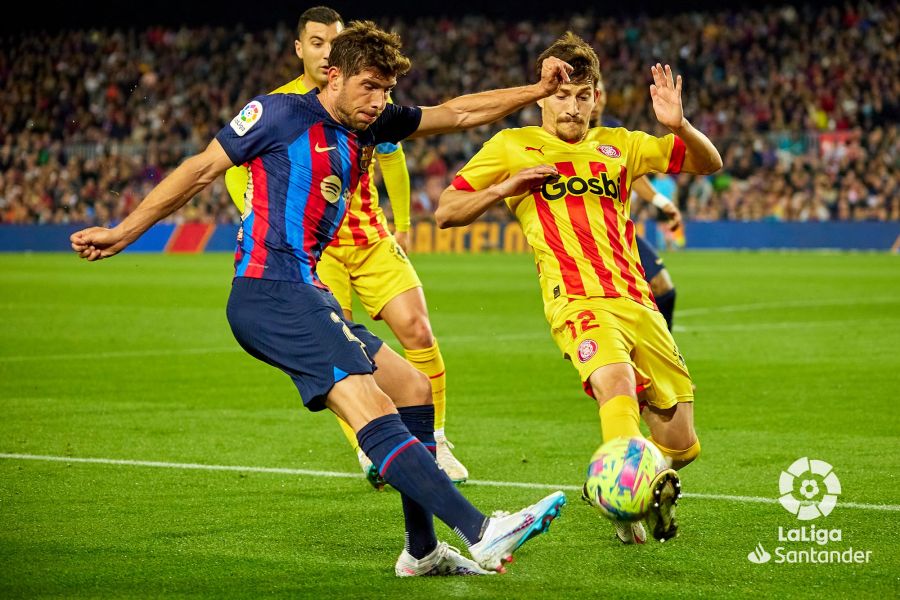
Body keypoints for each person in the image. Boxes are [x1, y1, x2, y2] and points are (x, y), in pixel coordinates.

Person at [71, 21, 573, 576]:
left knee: (411, 386)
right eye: (369, 88)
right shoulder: (277, 114)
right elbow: (198, 172)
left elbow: (456, 113)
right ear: (332, 77)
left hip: (306, 291)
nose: (379, 103)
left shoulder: (371, 119)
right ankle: (481, 530)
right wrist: (123, 231)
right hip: (270, 291)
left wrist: (539, 91)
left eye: (385, 91)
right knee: (372, 407)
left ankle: (422, 550)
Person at [436, 32, 722, 545]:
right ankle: (624, 503)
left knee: (681, 445)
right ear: (542, 93)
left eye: (581, 94)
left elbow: (709, 164)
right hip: (575, 300)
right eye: (560, 92)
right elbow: (446, 211)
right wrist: (504, 188)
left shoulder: (622, 145)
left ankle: (619, 480)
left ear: (595, 96)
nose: (570, 105)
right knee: (613, 379)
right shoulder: (511, 146)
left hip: (637, 300)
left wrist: (680, 126)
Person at [225, 7, 467, 489]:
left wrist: (401, 222)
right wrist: (254, 210)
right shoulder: (278, 107)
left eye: (332, 42)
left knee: (417, 328)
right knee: (341, 352)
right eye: (315, 42)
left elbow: (395, 157)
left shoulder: (366, 99)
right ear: (299, 48)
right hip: (315, 250)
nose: (324, 51)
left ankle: (435, 440)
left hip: (370, 237)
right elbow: (232, 167)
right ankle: (368, 447)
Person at [591, 77, 680, 330]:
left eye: (599, 91)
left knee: (663, 287)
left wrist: (662, 202)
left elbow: (632, 174)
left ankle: (662, 355)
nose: (595, 99)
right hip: (585, 235)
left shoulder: (614, 132)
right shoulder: (566, 136)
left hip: (617, 230)